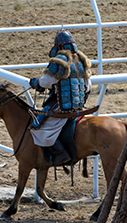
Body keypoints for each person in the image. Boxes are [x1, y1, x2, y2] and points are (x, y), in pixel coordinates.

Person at [28, 30, 92, 167]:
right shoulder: (81, 59)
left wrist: (35, 83)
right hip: (79, 106)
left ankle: (60, 153)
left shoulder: (60, 61)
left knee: (37, 126)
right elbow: (88, 86)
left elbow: (46, 82)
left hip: (62, 107)